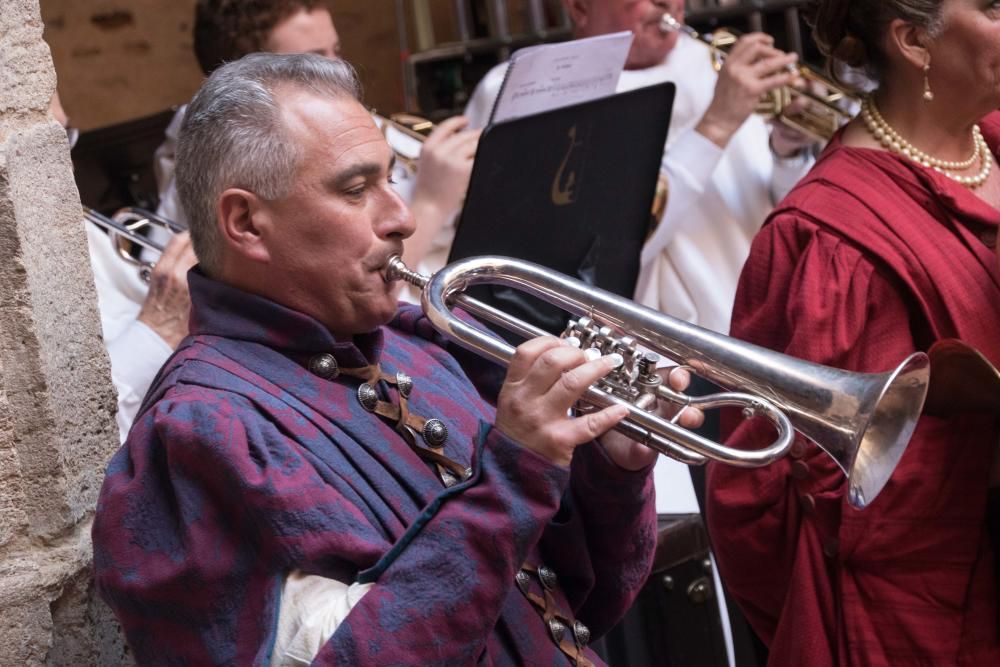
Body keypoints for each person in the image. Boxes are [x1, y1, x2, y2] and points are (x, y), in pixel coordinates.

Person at [92, 52, 700, 665]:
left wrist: (610, 471)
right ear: (246, 221)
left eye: (390, 179)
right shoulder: (195, 436)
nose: (403, 217)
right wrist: (515, 474)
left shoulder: (419, 344)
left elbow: (570, 602)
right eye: (356, 189)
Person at [706, 0, 1000, 664]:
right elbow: (766, 503)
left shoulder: (992, 138)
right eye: (991, 7)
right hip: (936, 625)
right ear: (912, 42)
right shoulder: (832, 240)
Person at [464, 0, 818, 336]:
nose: (667, 3)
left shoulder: (719, 64)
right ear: (580, 7)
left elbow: (780, 220)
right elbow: (590, 256)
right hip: (638, 355)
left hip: (757, 325)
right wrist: (716, 126)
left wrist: (788, 152)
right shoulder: (527, 85)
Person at [156, 0, 479, 288]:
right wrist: (432, 203)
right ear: (244, 82)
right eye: (312, 63)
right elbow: (360, 282)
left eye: (336, 52)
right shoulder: (221, 163)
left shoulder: (361, 126)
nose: (340, 74)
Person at [49, 90, 197, 441]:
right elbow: (73, 439)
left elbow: (140, 285)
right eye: (49, 144)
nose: (68, 164)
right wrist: (160, 329)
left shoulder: (74, 227)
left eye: (64, 137)